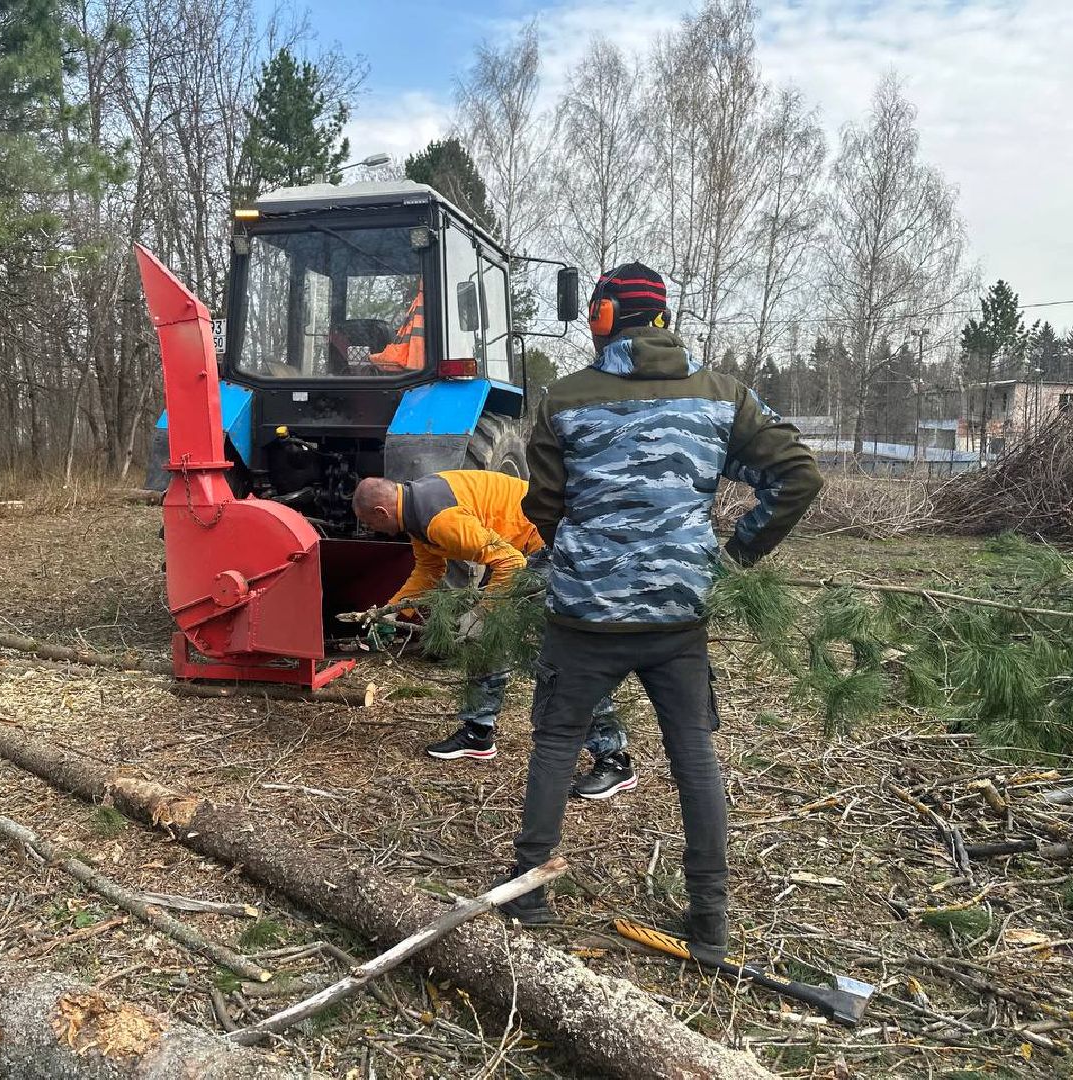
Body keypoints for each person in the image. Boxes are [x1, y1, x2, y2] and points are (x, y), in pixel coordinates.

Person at [497, 263, 822, 955]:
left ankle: (527, 896)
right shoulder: (721, 395)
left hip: (584, 615)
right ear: (663, 317)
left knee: (557, 742)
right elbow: (798, 474)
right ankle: (710, 919)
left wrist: (586, 558)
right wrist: (737, 555)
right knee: (693, 755)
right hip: (679, 614)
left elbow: (544, 505)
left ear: (604, 317)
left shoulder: (563, 398)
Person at [352, 471, 637, 799]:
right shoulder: (416, 514)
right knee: (483, 640)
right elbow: (429, 570)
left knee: (562, 657)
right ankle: (478, 731)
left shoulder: (439, 519)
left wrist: (482, 613)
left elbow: (510, 562)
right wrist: (391, 612)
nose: (373, 530)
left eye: (370, 524)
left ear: (381, 512)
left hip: (550, 545)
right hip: (521, 552)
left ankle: (614, 759)